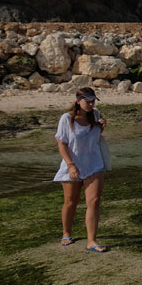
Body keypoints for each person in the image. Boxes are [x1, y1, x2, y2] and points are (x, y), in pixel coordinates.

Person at [53, 87, 109, 252]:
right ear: (78, 101)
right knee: (71, 202)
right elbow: (61, 143)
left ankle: (91, 241)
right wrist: (70, 165)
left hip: (94, 163)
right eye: (87, 101)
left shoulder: (95, 115)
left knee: (94, 200)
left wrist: (101, 127)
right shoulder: (67, 118)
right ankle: (66, 232)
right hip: (73, 165)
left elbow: (93, 139)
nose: (91, 104)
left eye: (93, 101)